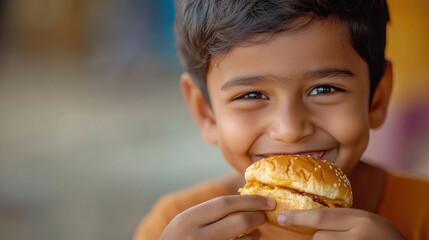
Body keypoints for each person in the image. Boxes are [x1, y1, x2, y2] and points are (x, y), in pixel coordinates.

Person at [134, 0, 429, 239]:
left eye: (324, 89)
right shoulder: (172, 224)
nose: (290, 130)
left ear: (376, 99)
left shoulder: (420, 213)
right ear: (206, 113)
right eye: (251, 96)